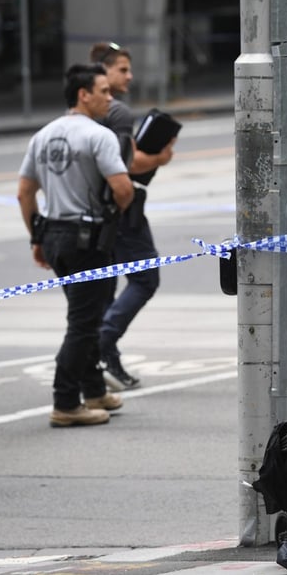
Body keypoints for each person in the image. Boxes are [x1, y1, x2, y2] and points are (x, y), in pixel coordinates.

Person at [16, 64, 135, 427]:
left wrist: (37, 237)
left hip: (54, 236)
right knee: (84, 323)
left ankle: (94, 390)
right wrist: (115, 212)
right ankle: (66, 401)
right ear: (84, 95)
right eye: (104, 91)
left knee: (87, 313)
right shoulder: (98, 136)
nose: (109, 98)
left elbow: (24, 192)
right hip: (87, 240)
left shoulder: (43, 135)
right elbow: (123, 188)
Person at [89, 42, 176, 391]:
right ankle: (100, 346)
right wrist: (159, 158)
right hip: (123, 207)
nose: (129, 76)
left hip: (96, 209)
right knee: (145, 278)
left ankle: (104, 360)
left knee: (107, 287)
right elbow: (127, 163)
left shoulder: (88, 112)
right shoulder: (118, 112)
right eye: (122, 69)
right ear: (104, 72)